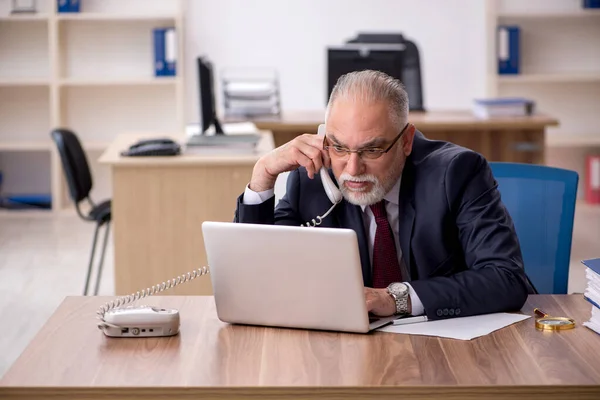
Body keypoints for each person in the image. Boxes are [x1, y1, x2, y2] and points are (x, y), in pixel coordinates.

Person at [234, 70, 536, 321]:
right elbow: (259, 276)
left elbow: (505, 278)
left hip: (445, 348)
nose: (352, 168)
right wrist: (262, 177)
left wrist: (394, 299)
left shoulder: (457, 173)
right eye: (339, 146)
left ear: (406, 141)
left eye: (372, 149)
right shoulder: (314, 174)